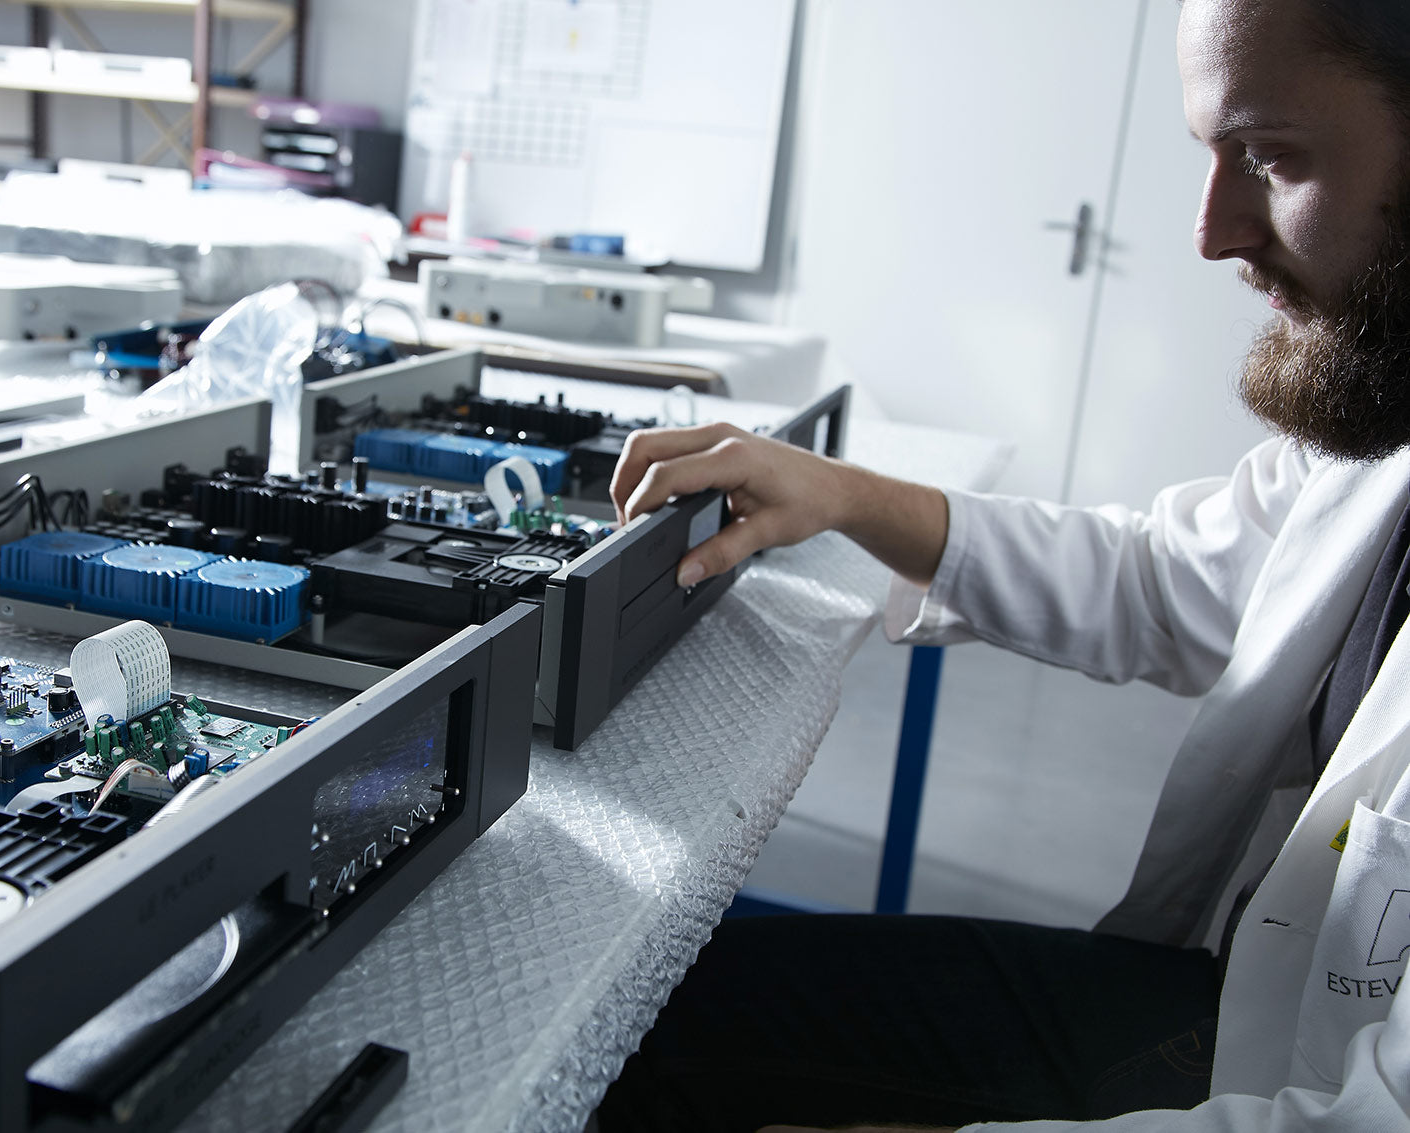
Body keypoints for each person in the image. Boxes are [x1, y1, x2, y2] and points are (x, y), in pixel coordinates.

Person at [594, 0, 1410, 1130]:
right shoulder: (1380, 438)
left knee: (652, 1051)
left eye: (1268, 156)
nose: (1212, 232)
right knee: (654, 1018)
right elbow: (1167, 580)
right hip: (1241, 995)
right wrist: (840, 492)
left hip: (1279, 1081)